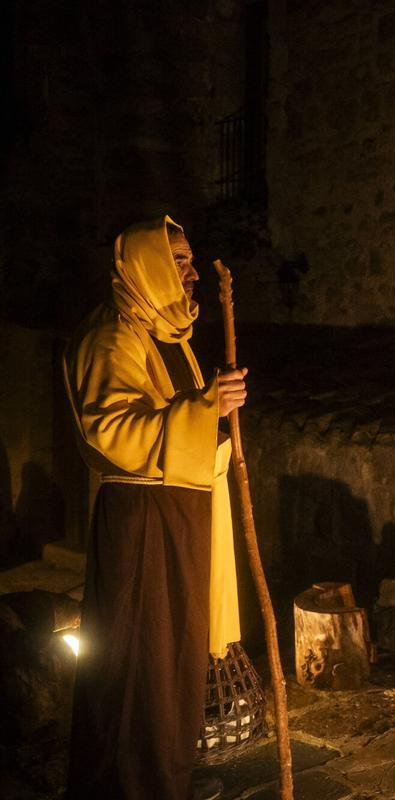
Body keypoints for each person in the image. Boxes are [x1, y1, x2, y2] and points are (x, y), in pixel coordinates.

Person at [63, 216, 245, 800]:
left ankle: (166, 776)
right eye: (179, 261)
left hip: (177, 516)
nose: (191, 273)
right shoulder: (112, 339)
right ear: (146, 266)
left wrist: (210, 409)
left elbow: (182, 414)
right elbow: (109, 432)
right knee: (143, 656)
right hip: (143, 521)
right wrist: (204, 410)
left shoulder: (168, 337)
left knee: (174, 655)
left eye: (191, 260)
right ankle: (131, 784)